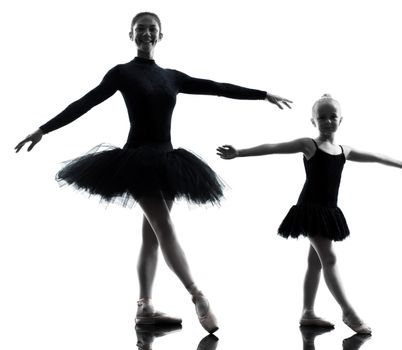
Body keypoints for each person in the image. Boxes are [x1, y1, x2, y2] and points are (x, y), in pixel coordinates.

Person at [15, 11, 292, 333]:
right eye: (140, 29)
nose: (146, 33)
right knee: (163, 227)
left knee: (152, 237)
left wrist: (262, 95)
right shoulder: (121, 73)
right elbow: (85, 103)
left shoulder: (171, 77)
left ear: (161, 36)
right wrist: (42, 130)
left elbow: (216, 87)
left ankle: (144, 308)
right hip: (136, 161)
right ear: (131, 35)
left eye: (152, 29)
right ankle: (197, 294)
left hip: (168, 162)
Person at [217, 94, 402, 334]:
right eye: (321, 117)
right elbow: (274, 147)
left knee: (315, 263)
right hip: (310, 210)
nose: (327, 121)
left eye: (332, 116)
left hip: (329, 211)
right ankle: (348, 312)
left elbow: (377, 158)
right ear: (313, 121)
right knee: (330, 259)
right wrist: (239, 152)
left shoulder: (344, 151)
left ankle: (308, 312)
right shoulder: (309, 145)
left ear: (341, 120)